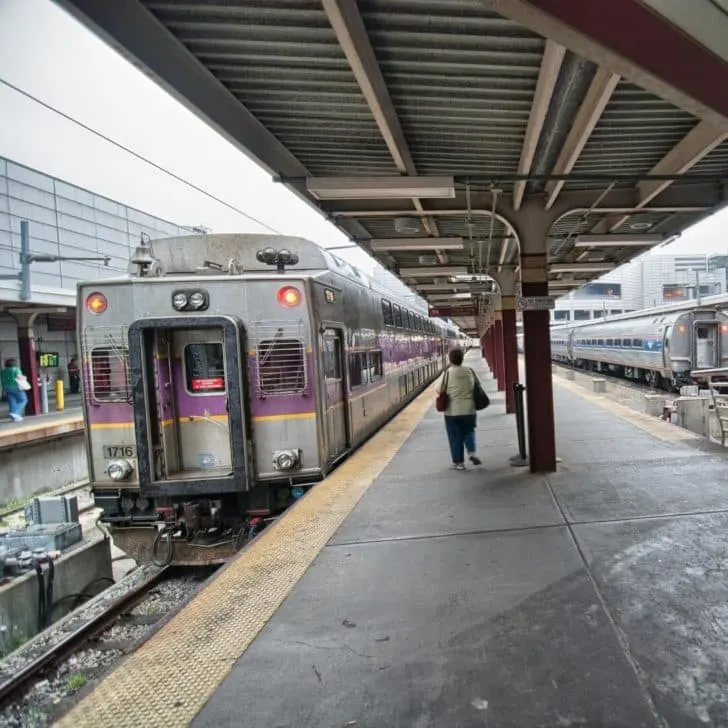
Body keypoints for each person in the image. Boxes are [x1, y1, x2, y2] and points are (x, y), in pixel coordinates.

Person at [436, 348, 482, 470]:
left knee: (455, 437)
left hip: (452, 412)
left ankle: (459, 463)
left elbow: (439, 389)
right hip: (469, 410)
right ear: (462, 358)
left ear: (450, 360)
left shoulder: (447, 374)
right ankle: (471, 452)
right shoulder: (470, 371)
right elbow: (478, 385)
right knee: (469, 431)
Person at [1, 358, 29, 423]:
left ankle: (15, 417)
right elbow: (19, 377)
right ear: (15, 364)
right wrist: (24, 377)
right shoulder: (16, 369)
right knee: (23, 400)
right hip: (15, 387)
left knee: (12, 400)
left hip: (6, 388)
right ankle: (15, 413)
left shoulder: (3, 371)